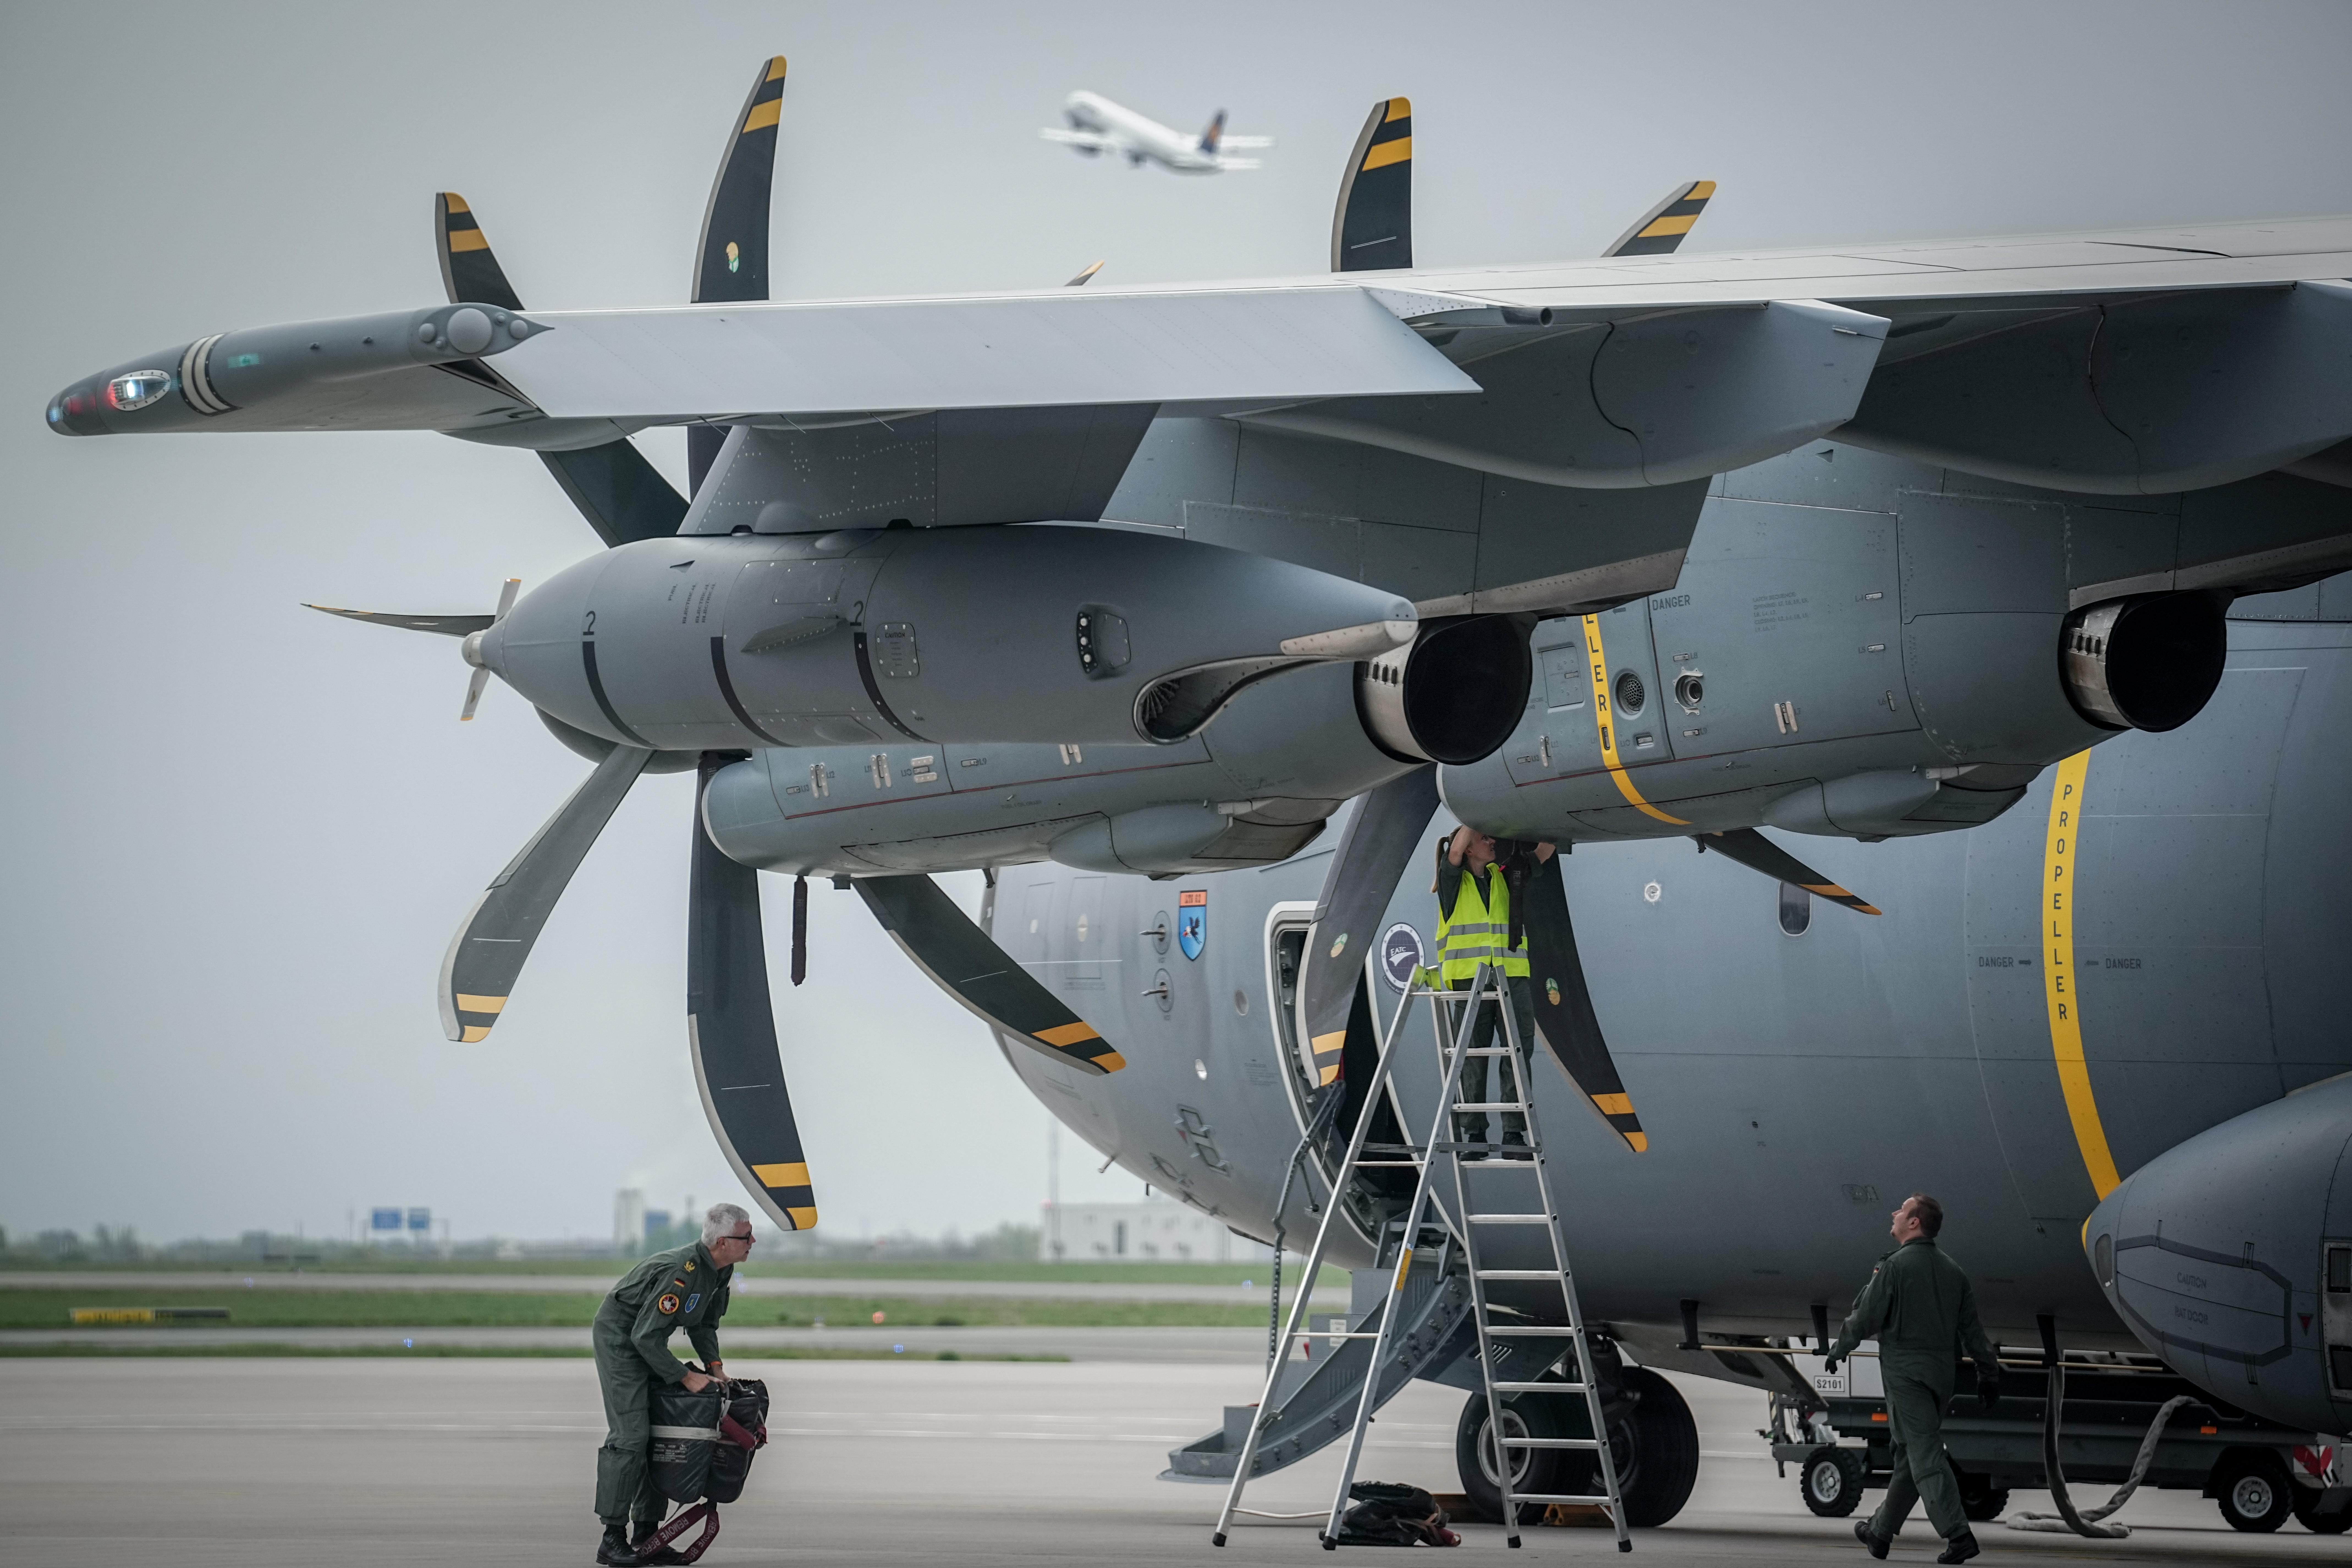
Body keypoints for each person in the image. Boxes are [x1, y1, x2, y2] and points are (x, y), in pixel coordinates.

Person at [1826, 1193, 2002, 1566]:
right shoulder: (1954, 1271)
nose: (1894, 1213)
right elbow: (1974, 1332)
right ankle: (1879, 1530)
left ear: (1914, 1223)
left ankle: (1958, 1533)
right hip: (1941, 1377)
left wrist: (1838, 1350)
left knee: (1924, 1454)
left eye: (1901, 1210)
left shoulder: (1894, 1267)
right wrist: (1988, 1374)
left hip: (1906, 1375)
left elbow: (1866, 1316)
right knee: (1910, 1454)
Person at [592, 1203, 754, 1567]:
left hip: (648, 1341)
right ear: (723, 1241)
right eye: (746, 1236)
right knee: (632, 1435)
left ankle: (648, 1535)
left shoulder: (720, 1270)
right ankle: (612, 1538)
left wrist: (715, 1367)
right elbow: (643, 1338)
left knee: (663, 1432)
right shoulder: (681, 1272)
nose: (753, 1241)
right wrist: (684, 1375)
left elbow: (703, 1324)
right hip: (622, 1341)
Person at [1426, 826, 1554, 1157]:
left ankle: (1513, 1134)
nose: (1492, 841)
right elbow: (1452, 856)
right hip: (1471, 981)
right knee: (1472, 1057)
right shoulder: (1452, 882)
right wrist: (1472, 814)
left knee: (1518, 1053)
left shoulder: (1506, 877)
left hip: (1511, 978)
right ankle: (1475, 1135)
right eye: (1485, 838)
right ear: (1468, 848)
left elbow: (1545, 850)